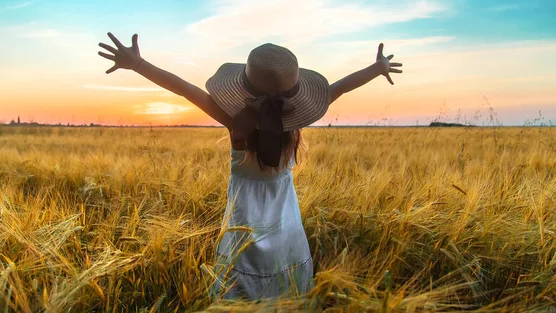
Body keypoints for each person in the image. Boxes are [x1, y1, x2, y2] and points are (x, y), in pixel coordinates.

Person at [97, 33, 403, 300]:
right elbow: (343, 86)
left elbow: (184, 89)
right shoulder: (291, 128)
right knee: (289, 292)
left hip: (243, 228)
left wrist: (137, 64)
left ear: (244, 88)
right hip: (287, 229)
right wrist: (378, 68)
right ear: (297, 95)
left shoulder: (236, 124)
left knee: (241, 289)